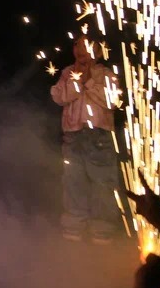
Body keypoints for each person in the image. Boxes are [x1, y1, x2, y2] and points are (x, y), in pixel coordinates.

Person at [50, 36, 121, 243]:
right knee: (73, 180)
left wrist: (89, 81)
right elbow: (59, 97)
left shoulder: (106, 74)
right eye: (77, 45)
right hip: (73, 135)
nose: (81, 49)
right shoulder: (67, 73)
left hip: (99, 136)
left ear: (98, 52)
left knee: (102, 182)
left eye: (87, 46)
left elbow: (113, 100)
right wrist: (78, 80)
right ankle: (74, 225)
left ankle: (102, 229)